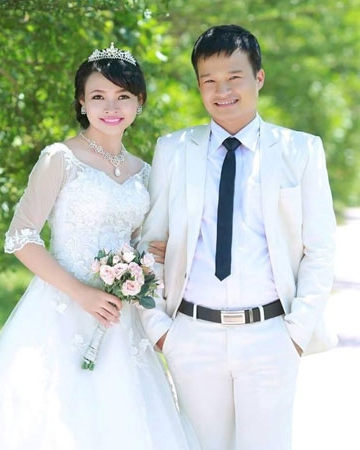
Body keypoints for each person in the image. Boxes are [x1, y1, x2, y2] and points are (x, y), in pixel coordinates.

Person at [0, 43, 200, 450]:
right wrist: (81, 293)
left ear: (139, 102)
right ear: (81, 102)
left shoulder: (144, 172)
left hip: (120, 317)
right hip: (60, 308)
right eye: (98, 96)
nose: (111, 107)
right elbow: (21, 236)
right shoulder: (60, 157)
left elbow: (137, 241)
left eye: (123, 96)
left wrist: (148, 255)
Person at [139, 24, 337, 450]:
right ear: (199, 86)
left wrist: (295, 333)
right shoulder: (174, 149)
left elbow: (320, 250)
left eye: (234, 77)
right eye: (209, 81)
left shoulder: (300, 150)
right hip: (191, 335)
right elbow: (148, 246)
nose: (222, 91)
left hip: (271, 336)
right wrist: (160, 329)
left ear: (258, 78)